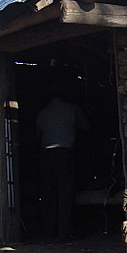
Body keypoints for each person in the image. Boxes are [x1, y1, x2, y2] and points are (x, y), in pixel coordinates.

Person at [36, 95, 91, 239]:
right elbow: (86, 127)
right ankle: (64, 232)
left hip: (46, 154)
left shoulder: (42, 113)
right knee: (65, 193)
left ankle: (48, 231)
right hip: (64, 153)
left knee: (48, 193)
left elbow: (38, 137)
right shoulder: (72, 109)